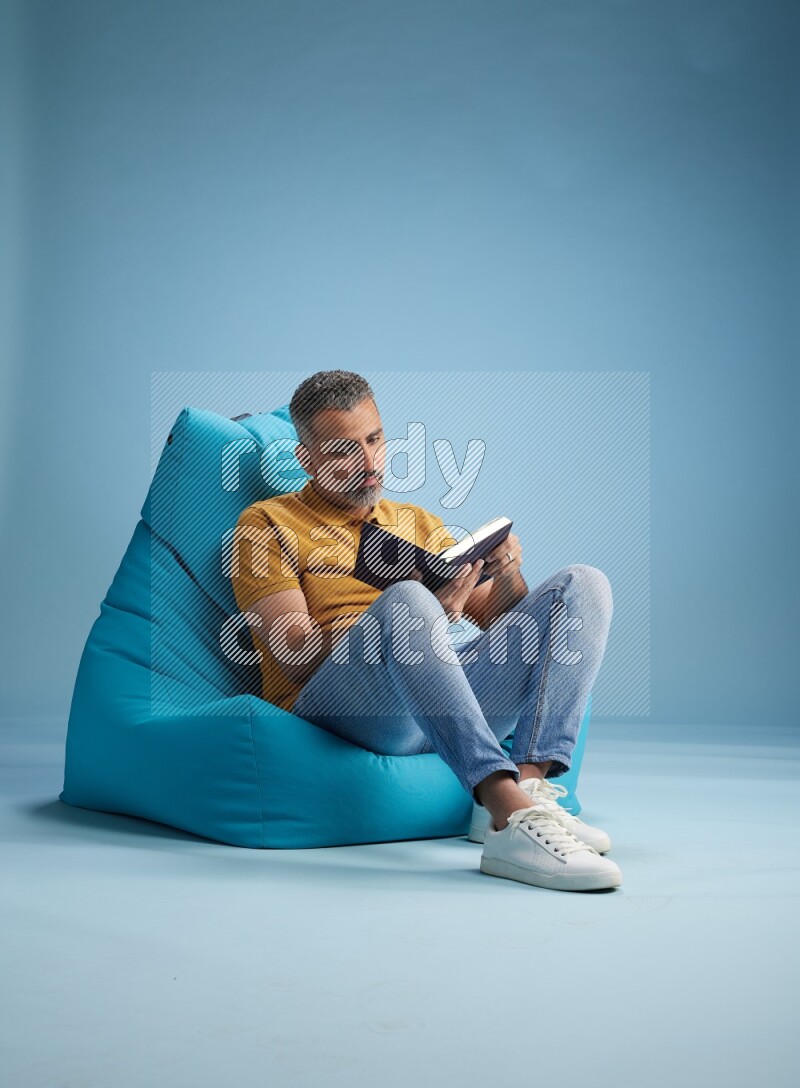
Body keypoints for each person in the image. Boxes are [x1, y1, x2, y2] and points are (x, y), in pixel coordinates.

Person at [230, 370, 621, 892]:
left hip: (436, 696)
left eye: (374, 441)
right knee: (409, 600)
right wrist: (412, 615)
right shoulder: (266, 523)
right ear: (307, 460)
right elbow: (291, 653)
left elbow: (503, 625)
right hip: (343, 707)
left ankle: (531, 793)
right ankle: (504, 812)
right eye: (344, 451)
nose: (369, 464)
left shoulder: (415, 521)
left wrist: (505, 573)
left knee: (583, 585)